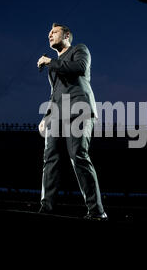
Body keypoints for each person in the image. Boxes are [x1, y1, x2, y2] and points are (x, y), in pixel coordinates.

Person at [36, 23, 107, 220]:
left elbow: (79, 68)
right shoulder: (53, 67)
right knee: (50, 158)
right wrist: (46, 117)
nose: (50, 34)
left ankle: (96, 211)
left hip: (79, 109)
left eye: (55, 32)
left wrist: (50, 62)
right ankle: (46, 207)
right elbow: (55, 94)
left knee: (78, 156)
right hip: (57, 115)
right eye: (49, 32)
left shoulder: (79, 49)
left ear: (66, 35)